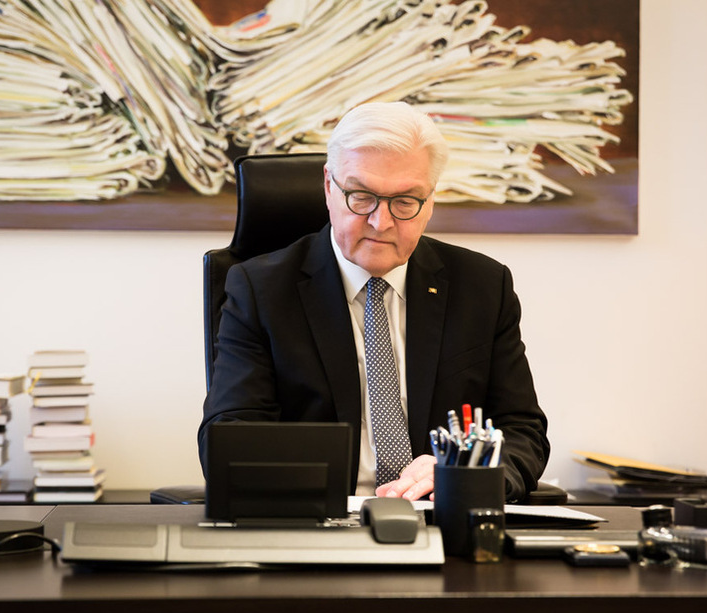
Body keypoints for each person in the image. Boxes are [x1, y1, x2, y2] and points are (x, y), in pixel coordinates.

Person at [198, 101, 548, 502]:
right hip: (316, 525)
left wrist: (465, 470)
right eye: (361, 196)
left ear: (431, 201)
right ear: (329, 186)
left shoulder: (482, 287)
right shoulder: (260, 290)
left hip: (441, 520)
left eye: (405, 202)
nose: (382, 223)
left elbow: (523, 432)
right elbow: (229, 438)